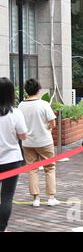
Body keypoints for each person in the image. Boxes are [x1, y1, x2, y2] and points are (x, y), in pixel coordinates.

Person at [18, 79, 59, 207]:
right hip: (44, 141)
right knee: (49, 168)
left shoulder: (21, 105)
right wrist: (48, 128)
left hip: (28, 143)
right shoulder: (44, 104)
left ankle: (36, 199)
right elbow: (53, 123)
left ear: (26, 90)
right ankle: (51, 197)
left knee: (32, 169)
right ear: (39, 90)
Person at [0, 77, 28, 232]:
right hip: (12, 159)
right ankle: (2, 228)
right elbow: (23, 135)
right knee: (7, 196)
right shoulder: (15, 113)